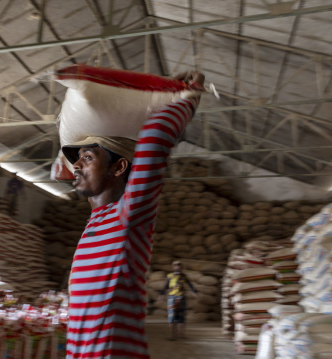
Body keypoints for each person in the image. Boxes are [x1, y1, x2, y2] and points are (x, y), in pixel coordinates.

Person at [61, 71, 205, 358]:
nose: (77, 165)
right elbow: (63, 167)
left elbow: (154, 136)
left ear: (118, 168)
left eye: (88, 157)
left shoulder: (128, 214)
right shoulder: (95, 224)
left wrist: (186, 96)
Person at [159, 260, 197, 340]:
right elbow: (166, 286)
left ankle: (181, 335)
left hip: (181, 297)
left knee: (182, 316)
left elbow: (190, 285)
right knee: (172, 316)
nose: (178, 267)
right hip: (172, 297)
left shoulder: (184, 276)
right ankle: (173, 336)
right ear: (173, 267)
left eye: (179, 265)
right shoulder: (170, 276)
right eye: (176, 265)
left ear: (181, 267)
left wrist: (194, 292)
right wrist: (161, 295)